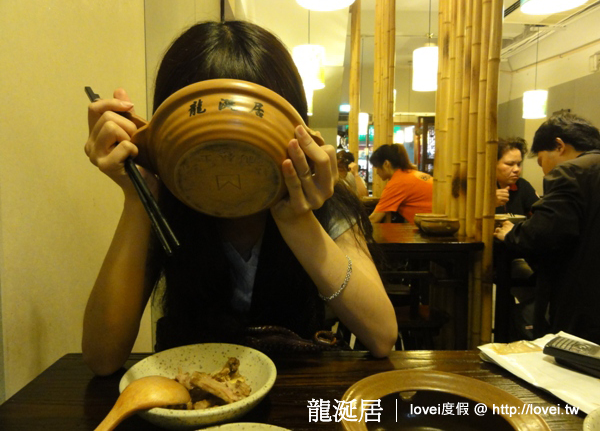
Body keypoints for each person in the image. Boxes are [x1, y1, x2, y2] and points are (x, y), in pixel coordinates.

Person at [83, 20, 397, 376]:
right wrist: (138, 193)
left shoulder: (325, 201)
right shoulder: (166, 203)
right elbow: (102, 358)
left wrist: (297, 219)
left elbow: (381, 336)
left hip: (297, 393)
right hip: (194, 393)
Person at [494, 112, 600, 344]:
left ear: (559, 146)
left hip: (583, 297)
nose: (543, 170)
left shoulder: (571, 171)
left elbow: (543, 234)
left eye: (541, 161)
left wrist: (512, 234)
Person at [368, 144, 433, 224]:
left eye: (376, 167)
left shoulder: (397, 182)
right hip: (438, 222)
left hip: (432, 226)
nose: (377, 172)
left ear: (386, 164)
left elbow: (374, 219)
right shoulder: (410, 174)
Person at [495, 137, 539, 216]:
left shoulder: (522, 185)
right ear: (493, 164)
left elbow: (540, 214)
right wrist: (490, 204)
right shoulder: (477, 187)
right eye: (510, 164)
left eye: (518, 164)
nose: (516, 169)